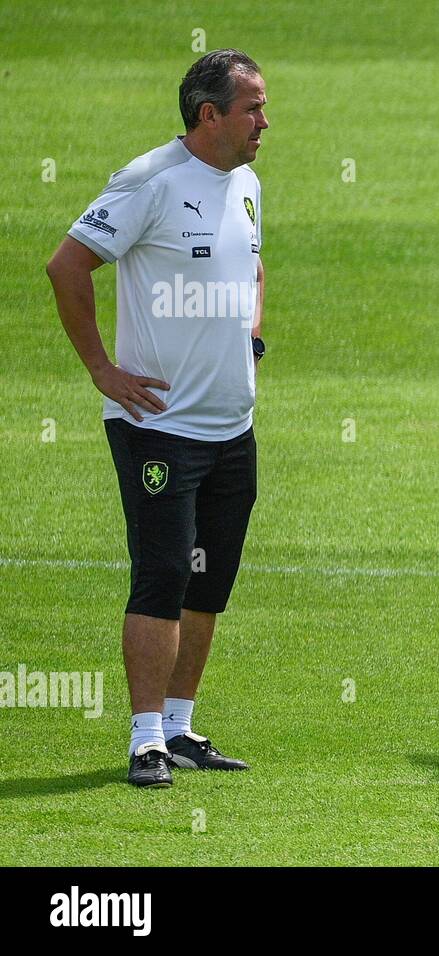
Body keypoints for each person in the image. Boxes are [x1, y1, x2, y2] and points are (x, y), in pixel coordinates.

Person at [46, 49, 270, 787]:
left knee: (208, 582)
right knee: (164, 573)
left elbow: (254, 267)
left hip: (231, 427)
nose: (265, 122)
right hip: (159, 426)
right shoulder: (150, 181)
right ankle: (144, 739)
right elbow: (68, 265)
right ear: (210, 115)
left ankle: (179, 727)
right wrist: (104, 371)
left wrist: (252, 333)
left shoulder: (247, 184)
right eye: (253, 108)